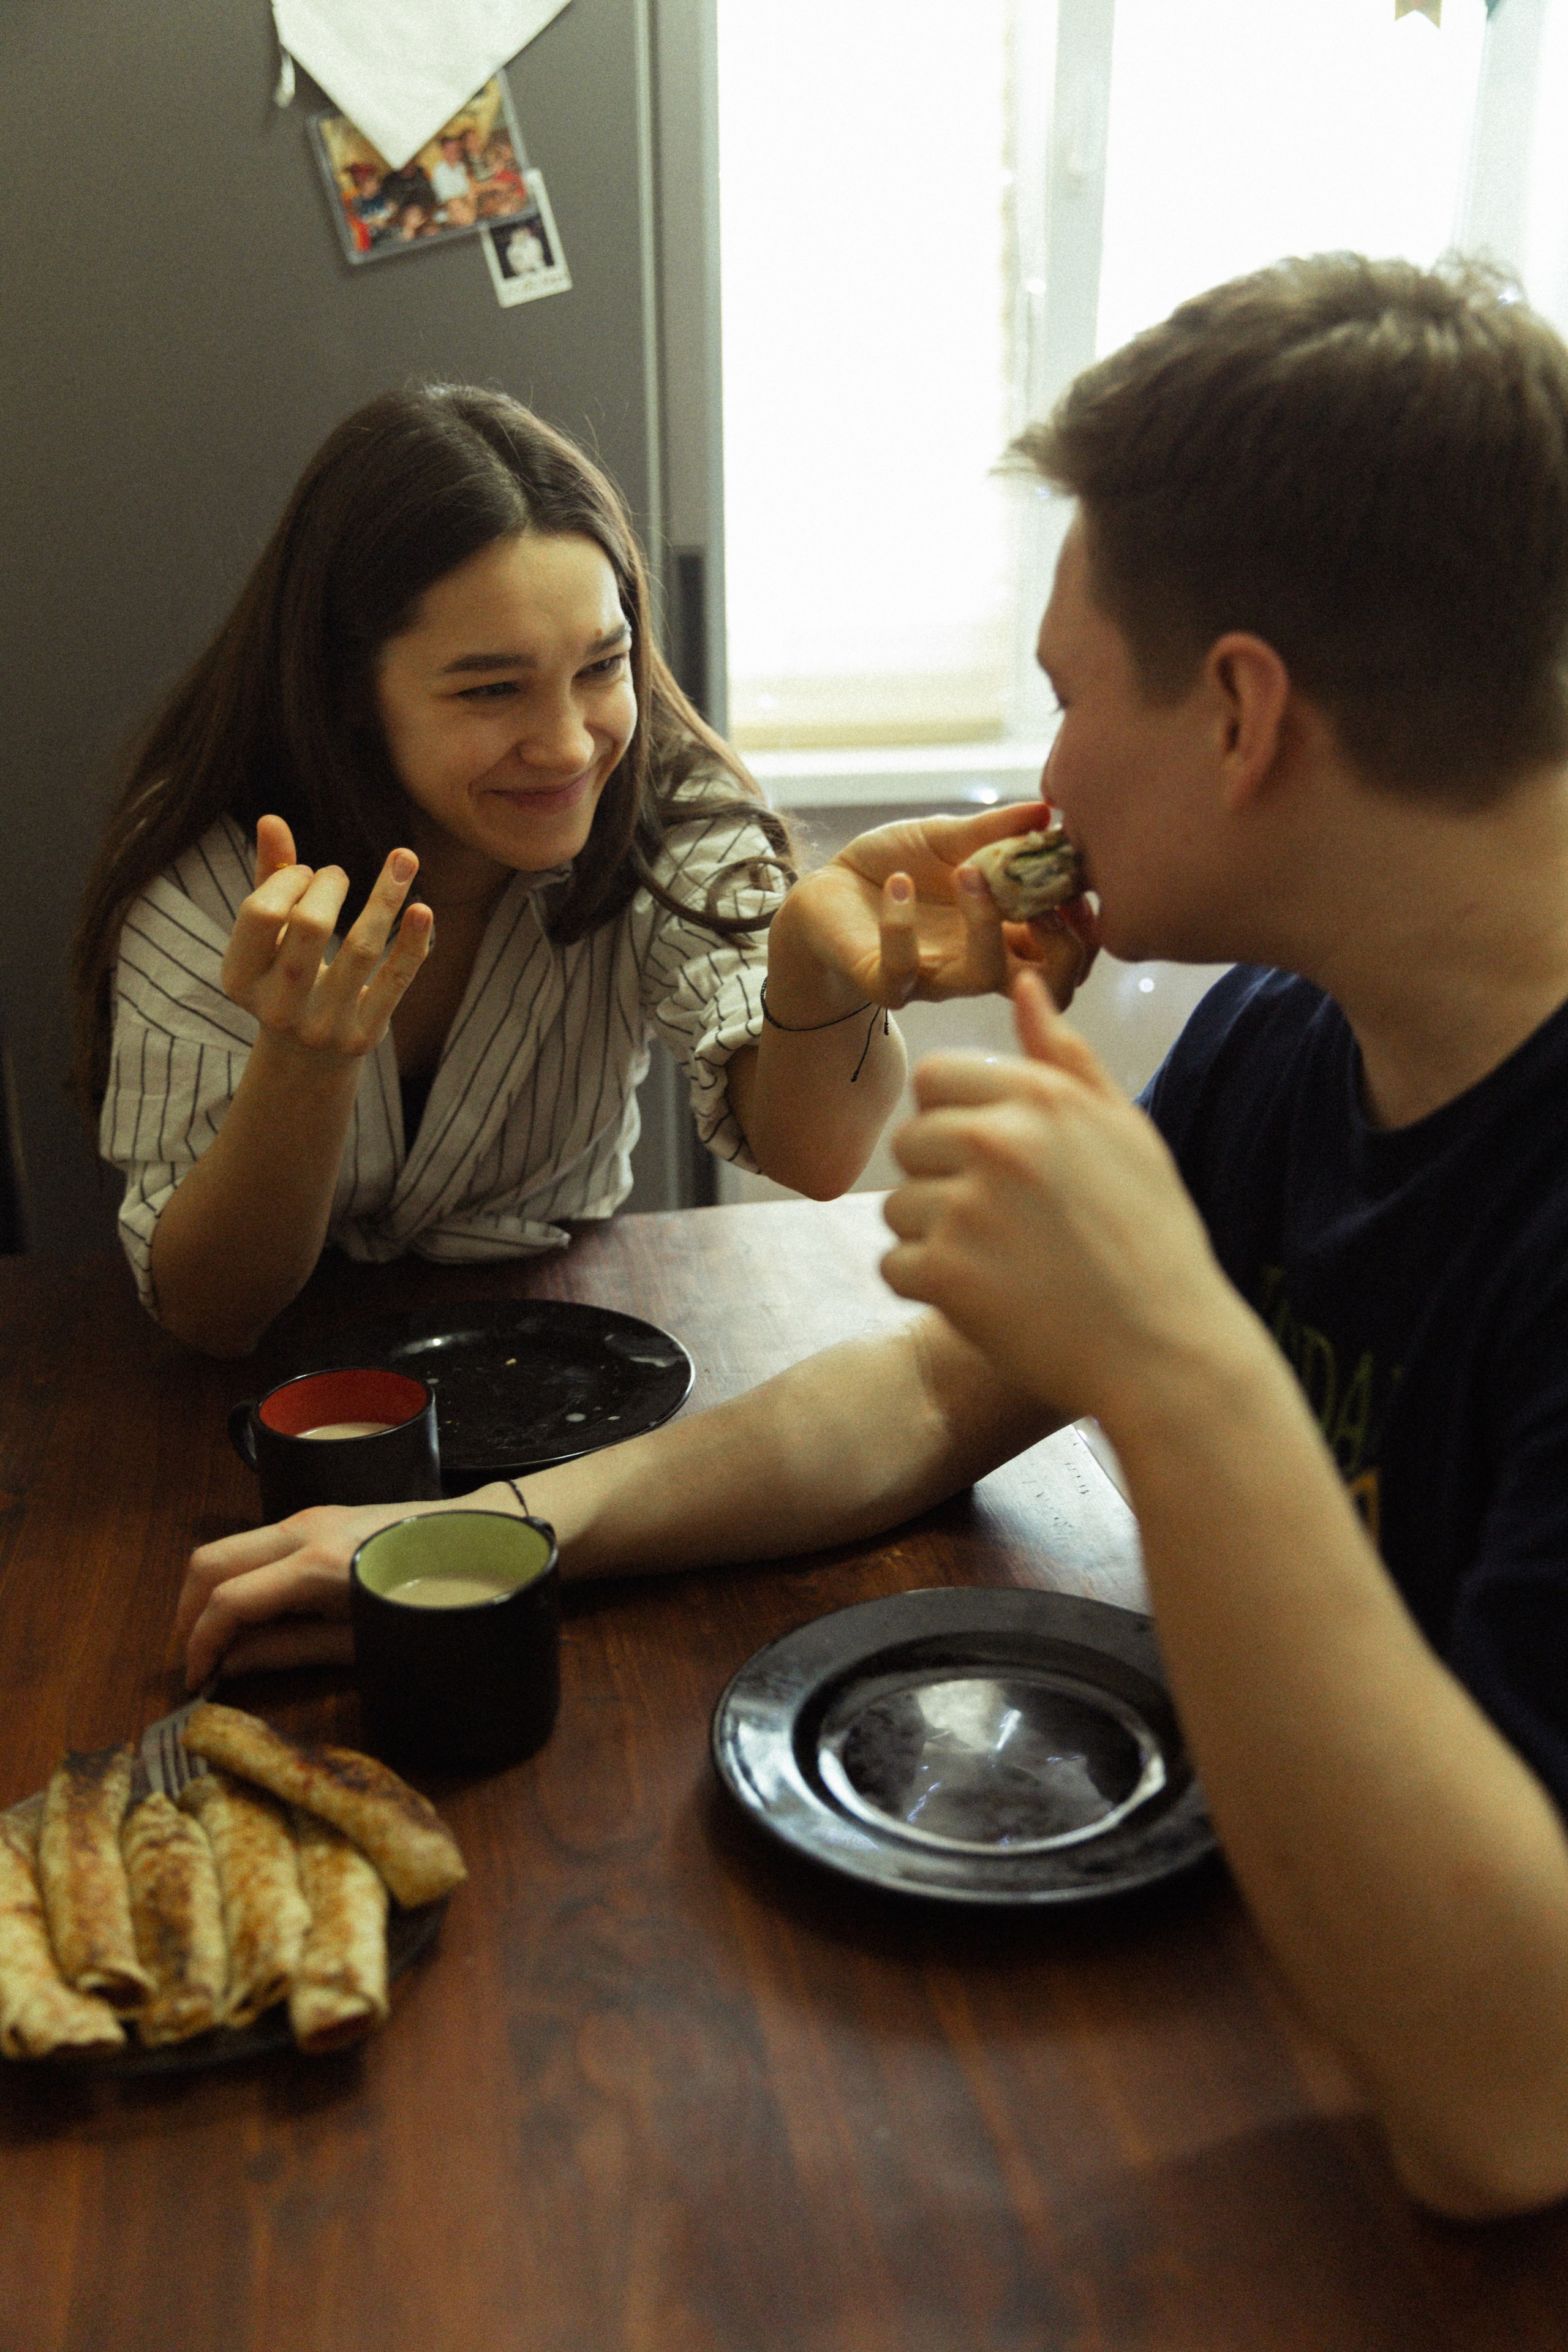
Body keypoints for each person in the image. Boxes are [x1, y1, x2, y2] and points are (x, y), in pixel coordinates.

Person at [174, 254, 1568, 2216]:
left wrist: (1175, 1366)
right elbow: (925, 1398)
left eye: (1069, 698)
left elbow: (1507, 2111)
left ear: (1243, 712)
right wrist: (495, 1532)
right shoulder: (1291, 1039)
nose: (1046, 777)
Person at [72, 385, 1086, 1359]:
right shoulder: (220, 879)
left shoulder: (666, 808)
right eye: (492, 690)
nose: (567, 747)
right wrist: (301, 1065)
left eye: (602, 668)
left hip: (561, 1357)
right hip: (287, 1393)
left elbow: (816, 1158)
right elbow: (210, 1315)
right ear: (351, 691)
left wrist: (819, 962)